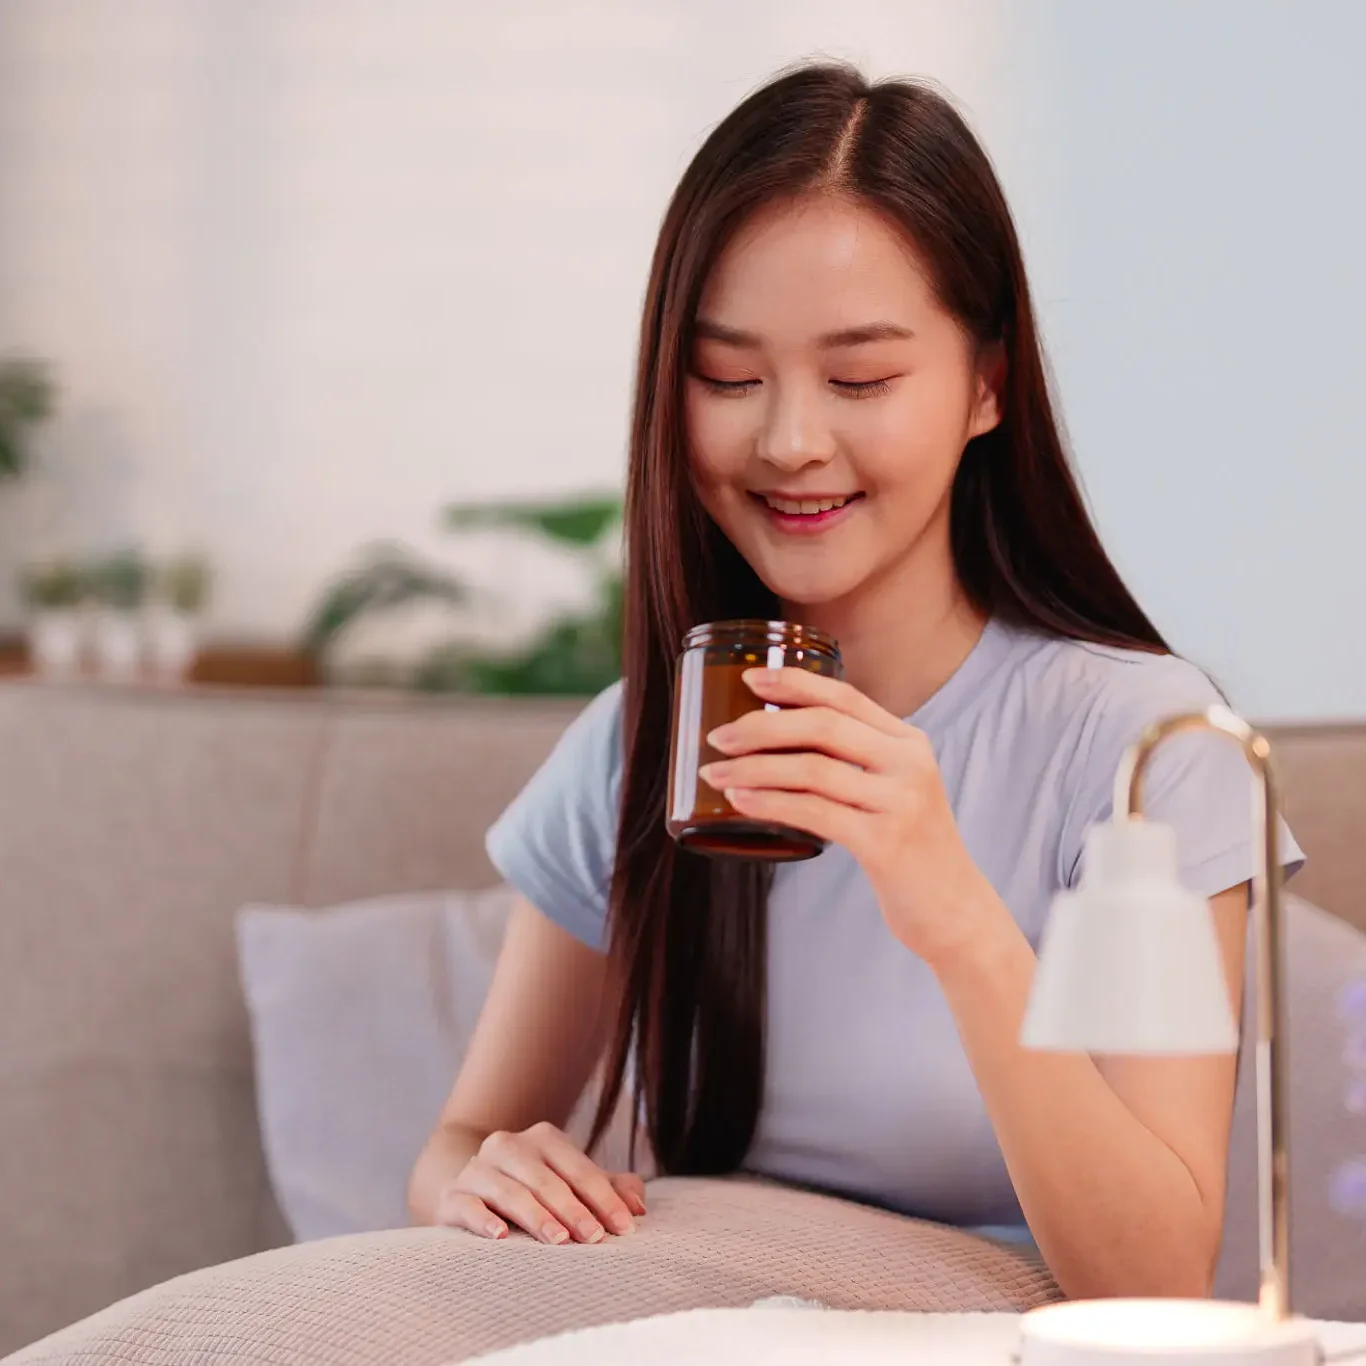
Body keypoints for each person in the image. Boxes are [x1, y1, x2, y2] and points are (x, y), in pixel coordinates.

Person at [408, 62, 1301, 1301]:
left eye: (861, 379)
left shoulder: (1144, 747)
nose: (786, 440)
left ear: (986, 384)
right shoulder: (640, 744)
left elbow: (1152, 1279)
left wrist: (952, 911)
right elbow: (460, 1140)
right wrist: (483, 1172)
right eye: (728, 377)